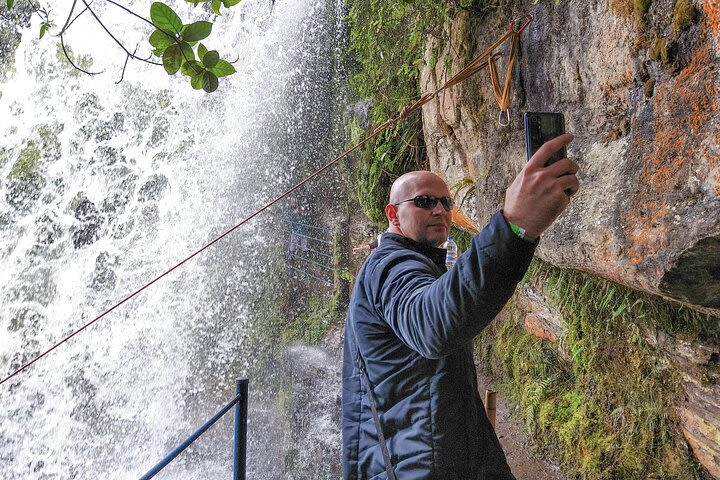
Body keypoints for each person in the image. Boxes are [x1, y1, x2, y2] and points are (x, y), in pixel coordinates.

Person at [342, 134, 579, 479]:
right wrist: (513, 226)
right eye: (424, 201)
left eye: (446, 203)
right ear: (393, 214)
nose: (440, 210)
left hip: (443, 451)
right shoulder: (388, 267)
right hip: (416, 464)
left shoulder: (414, 263)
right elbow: (431, 324)